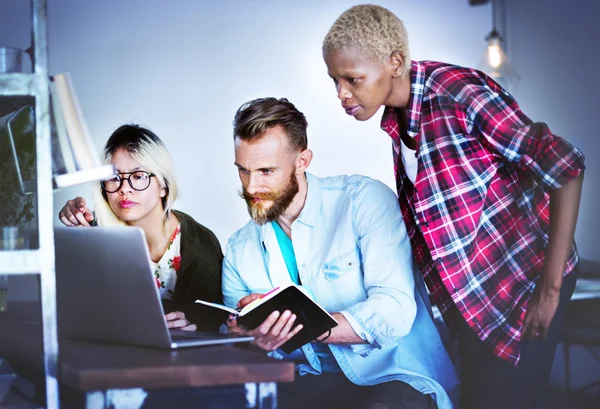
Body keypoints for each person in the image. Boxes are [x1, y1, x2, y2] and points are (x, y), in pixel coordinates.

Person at [321, 5, 586, 409]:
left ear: (394, 62)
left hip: (524, 282)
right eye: (335, 80)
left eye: (351, 79)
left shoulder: (457, 92)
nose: (341, 93)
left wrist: (548, 292)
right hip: (474, 298)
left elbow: (564, 167)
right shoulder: (399, 120)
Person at [223, 97, 458, 409]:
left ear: (302, 161)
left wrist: (310, 327)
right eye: (243, 170)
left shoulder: (363, 200)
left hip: (392, 375)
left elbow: (395, 309)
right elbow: (238, 342)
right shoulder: (240, 248)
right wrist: (247, 338)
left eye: (266, 171)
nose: (252, 187)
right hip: (308, 379)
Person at [57, 124, 226, 332]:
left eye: (138, 176)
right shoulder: (94, 233)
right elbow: (74, 312)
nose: (124, 189)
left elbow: (214, 321)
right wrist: (77, 237)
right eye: (114, 178)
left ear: (163, 186)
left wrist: (192, 327)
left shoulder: (201, 245)